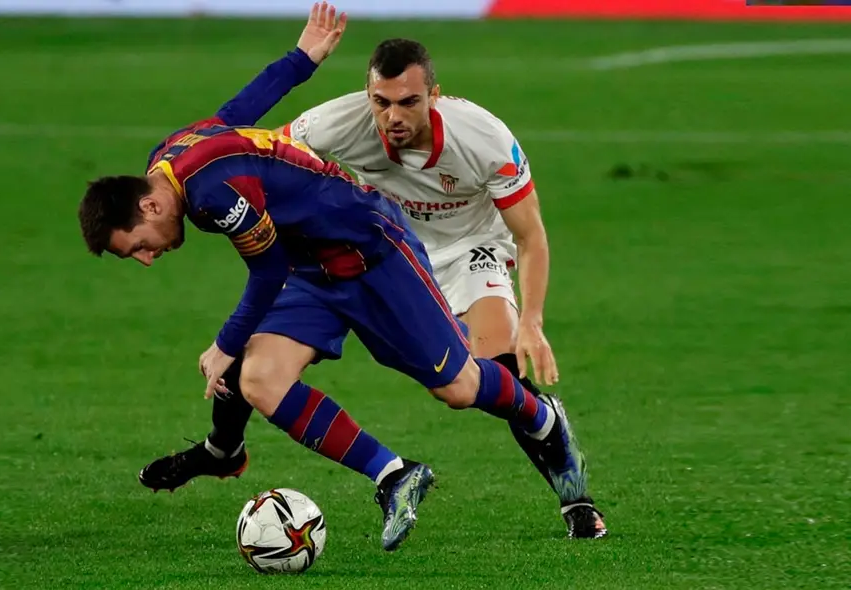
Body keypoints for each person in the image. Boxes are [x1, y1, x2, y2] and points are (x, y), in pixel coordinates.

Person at [77, 3, 587, 551]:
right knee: (259, 377)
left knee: (460, 387)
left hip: (374, 252)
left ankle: (540, 414)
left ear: (149, 209)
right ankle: (394, 475)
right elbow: (236, 113)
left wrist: (225, 341)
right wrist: (301, 59)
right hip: (313, 265)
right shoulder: (170, 159)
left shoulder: (209, 196)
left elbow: (266, 266)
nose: (148, 258)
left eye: (138, 249)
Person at [275, 38, 607, 539]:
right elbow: (266, 157)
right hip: (393, 254)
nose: (393, 117)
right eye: (381, 102)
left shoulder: (484, 138)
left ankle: (575, 500)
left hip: (474, 248)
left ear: (434, 95)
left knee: (501, 366)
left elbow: (530, 234)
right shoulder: (334, 123)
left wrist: (533, 323)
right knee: (453, 392)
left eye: (409, 101)